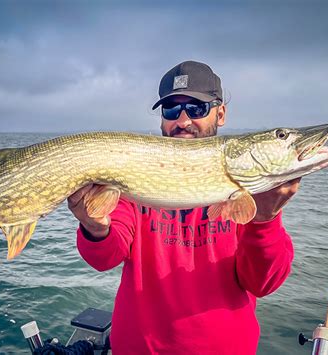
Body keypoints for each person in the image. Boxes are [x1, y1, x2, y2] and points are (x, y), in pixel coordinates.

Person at [68, 60, 300, 354]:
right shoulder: (135, 169)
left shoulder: (246, 183)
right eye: (171, 110)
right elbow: (105, 257)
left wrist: (265, 220)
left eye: (197, 108)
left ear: (221, 113)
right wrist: (94, 227)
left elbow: (263, 283)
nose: (183, 121)